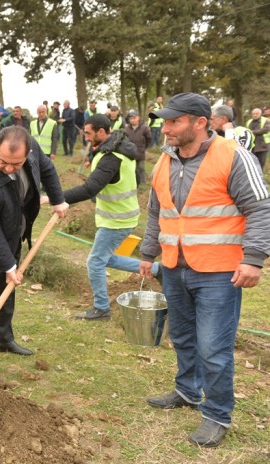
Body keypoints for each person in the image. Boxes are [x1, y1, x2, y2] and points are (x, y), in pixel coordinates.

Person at [141, 92, 270, 447]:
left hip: (218, 272)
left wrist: (253, 258)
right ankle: (186, 390)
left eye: (174, 121)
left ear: (201, 123)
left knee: (213, 347)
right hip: (173, 266)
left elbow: (260, 208)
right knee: (182, 337)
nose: (165, 128)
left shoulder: (233, 157)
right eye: (164, 122)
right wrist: (148, 252)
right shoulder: (163, 162)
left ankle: (216, 414)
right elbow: (157, 212)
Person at [0, 126, 68, 389]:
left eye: (14, 164)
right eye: (2, 161)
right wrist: (8, 265)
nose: (8, 168)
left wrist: (57, 199)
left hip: (11, 230)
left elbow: (49, 170)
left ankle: (3, 339)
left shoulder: (33, 151)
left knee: (8, 286)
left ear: (27, 153)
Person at [63, 114, 162, 321]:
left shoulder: (112, 157)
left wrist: (57, 199)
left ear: (101, 132)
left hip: (117, 220)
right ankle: (156, 269)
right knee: (105, 258)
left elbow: (90, 188)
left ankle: (101, 308)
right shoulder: (112, 147)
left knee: (95, 262)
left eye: (89, 134)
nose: (86, 138)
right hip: (116, 217)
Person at [123, 110, 152, 186]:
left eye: (134, 118)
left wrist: (144, 147)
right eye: (131, 118)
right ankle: (133, 183)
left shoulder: (145, 127)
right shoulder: (126, 128)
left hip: (140, 152)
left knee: (141, 168)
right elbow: (124, 139)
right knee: (131, 169)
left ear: (138, 118)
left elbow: (149, 138)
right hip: (130, 153)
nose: (132, 120)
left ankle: (143, 183)